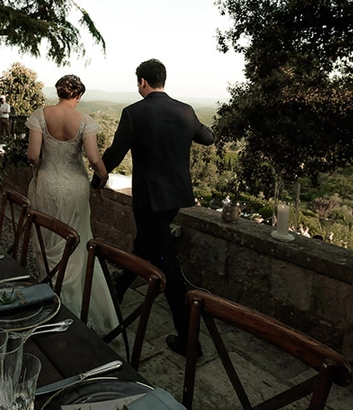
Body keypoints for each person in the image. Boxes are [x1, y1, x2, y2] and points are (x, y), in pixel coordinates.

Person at [93, 59, 215, 356]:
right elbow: (208, 138)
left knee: (167, 262)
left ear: (143, 82)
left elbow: (115, 152)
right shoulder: (185, 110)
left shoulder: (134, 112)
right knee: (146, 244)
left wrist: (98, 179)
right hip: (176, 198)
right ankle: (119, 289)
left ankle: (188, 339)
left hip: (149, 199)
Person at [26, 75, 116, 333]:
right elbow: (94, 159)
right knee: (76, 243)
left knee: (48, 238)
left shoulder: (40, 115)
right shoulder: (85, 120)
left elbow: (33, 155)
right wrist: (103, 177)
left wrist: (43, 166)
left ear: (59, 92)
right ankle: (74, 306)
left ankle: (51, 293)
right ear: (78, 95)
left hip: (46, 185)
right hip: (76, 187)